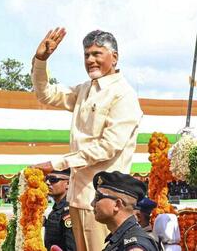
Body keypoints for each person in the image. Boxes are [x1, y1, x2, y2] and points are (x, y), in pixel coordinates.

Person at [31, 27, 143, 251]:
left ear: (114, 57)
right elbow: (45, 94)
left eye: (96, 54)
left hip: (104, 203)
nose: (90, 60)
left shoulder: (123, 94)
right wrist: (41, 61)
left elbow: (107, 147)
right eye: (86, 55)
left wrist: (57, 165)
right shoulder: (85, 90)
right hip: (77, 198)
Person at [92, 171, 159, 251]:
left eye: (97, 197)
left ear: (117, 205)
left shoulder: (134, 246)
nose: (92, 203)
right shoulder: (121, 239)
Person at [44, 169, 76, 251]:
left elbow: (71, 246)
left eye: (53, 179)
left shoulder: (69, 211)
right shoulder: (58, 208)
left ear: (68, 184)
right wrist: (45, 222)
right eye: (46, 179)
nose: (47, 182)